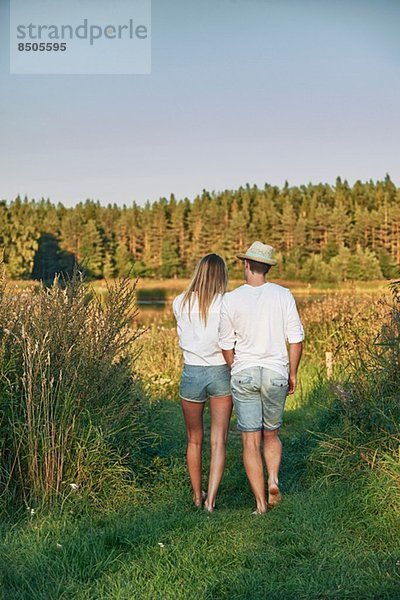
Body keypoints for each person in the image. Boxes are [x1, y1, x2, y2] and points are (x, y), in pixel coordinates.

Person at [219, 241, 304, 514]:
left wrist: (236, 369)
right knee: (272, 433)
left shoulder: (230, 299)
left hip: (244, 373)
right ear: (266, 267)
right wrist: (292, 373)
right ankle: (274, 479)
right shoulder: (283, 295)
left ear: (246, 264)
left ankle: (260, 505)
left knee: (250, 440)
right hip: (276, 373)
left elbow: (225, 344)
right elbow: (296, 340)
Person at [173, 254, 233, 512]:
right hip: (220, 371)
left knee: (194, 439)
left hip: (192, 372)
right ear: (222, 275)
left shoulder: (180, 302)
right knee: (218, 439)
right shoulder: (226, 303)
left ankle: (197, 496)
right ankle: (211, 501)